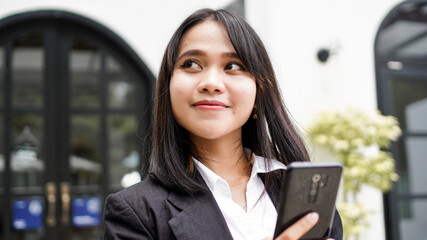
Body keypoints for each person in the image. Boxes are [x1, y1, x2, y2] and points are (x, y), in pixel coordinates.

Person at [104, 8, 342, 240]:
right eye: (191, 64)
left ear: (259, 92)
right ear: (168, 87)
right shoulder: (135, 212)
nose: (211, 83)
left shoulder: (308, 199)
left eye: (233, 66)